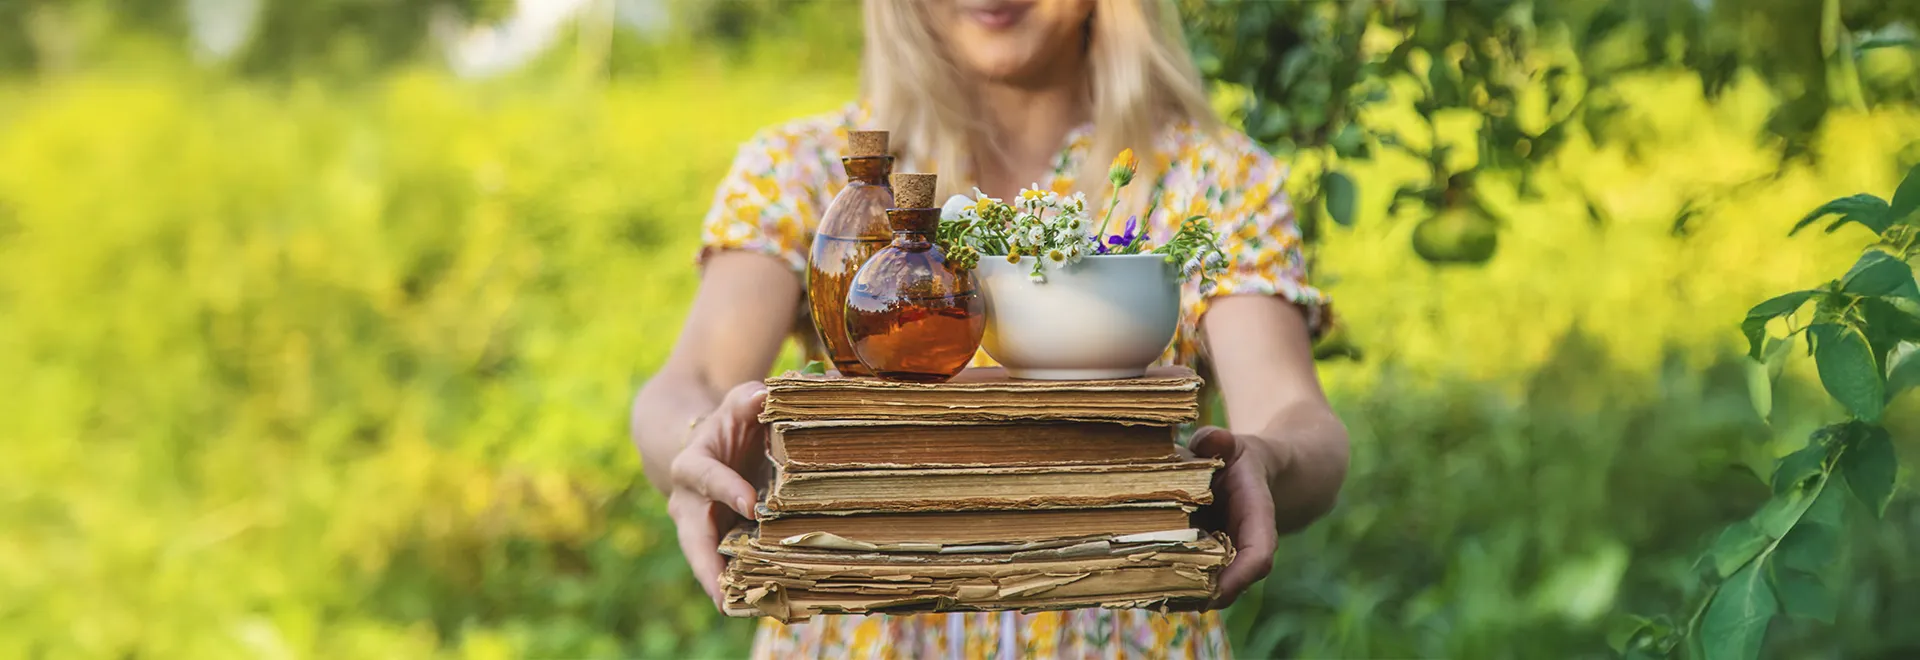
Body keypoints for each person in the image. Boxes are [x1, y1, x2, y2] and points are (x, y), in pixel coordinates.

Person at [631, 0, 1350, 656]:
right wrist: (700, 447)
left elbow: (1295, 417)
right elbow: (688, 381)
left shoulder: (1212, 178)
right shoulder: (811, 170)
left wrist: (1266, 458)